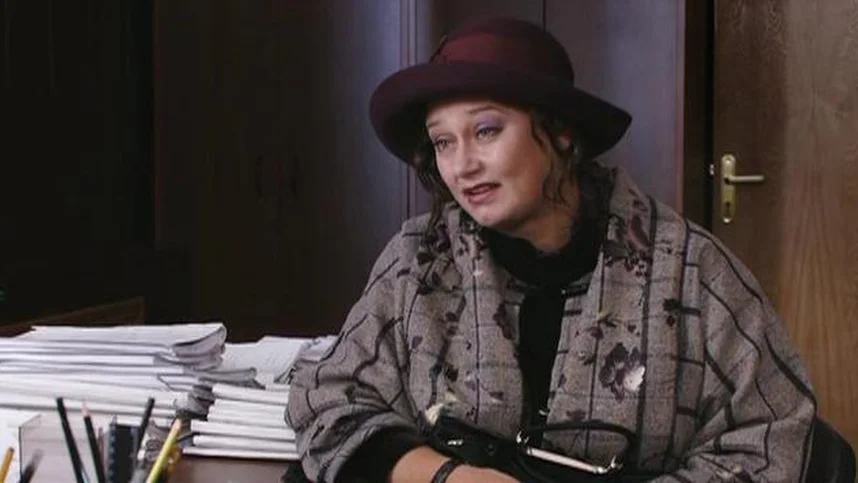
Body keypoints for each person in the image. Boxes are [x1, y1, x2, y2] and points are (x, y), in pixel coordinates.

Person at [286, 17, 816, 482]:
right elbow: (327, 403)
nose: (462, 165)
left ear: (561, 131)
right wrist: (449, 476)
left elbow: (773, 435)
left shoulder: (690, 269)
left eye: (486, 130)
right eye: (443, 141)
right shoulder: (419, 261)